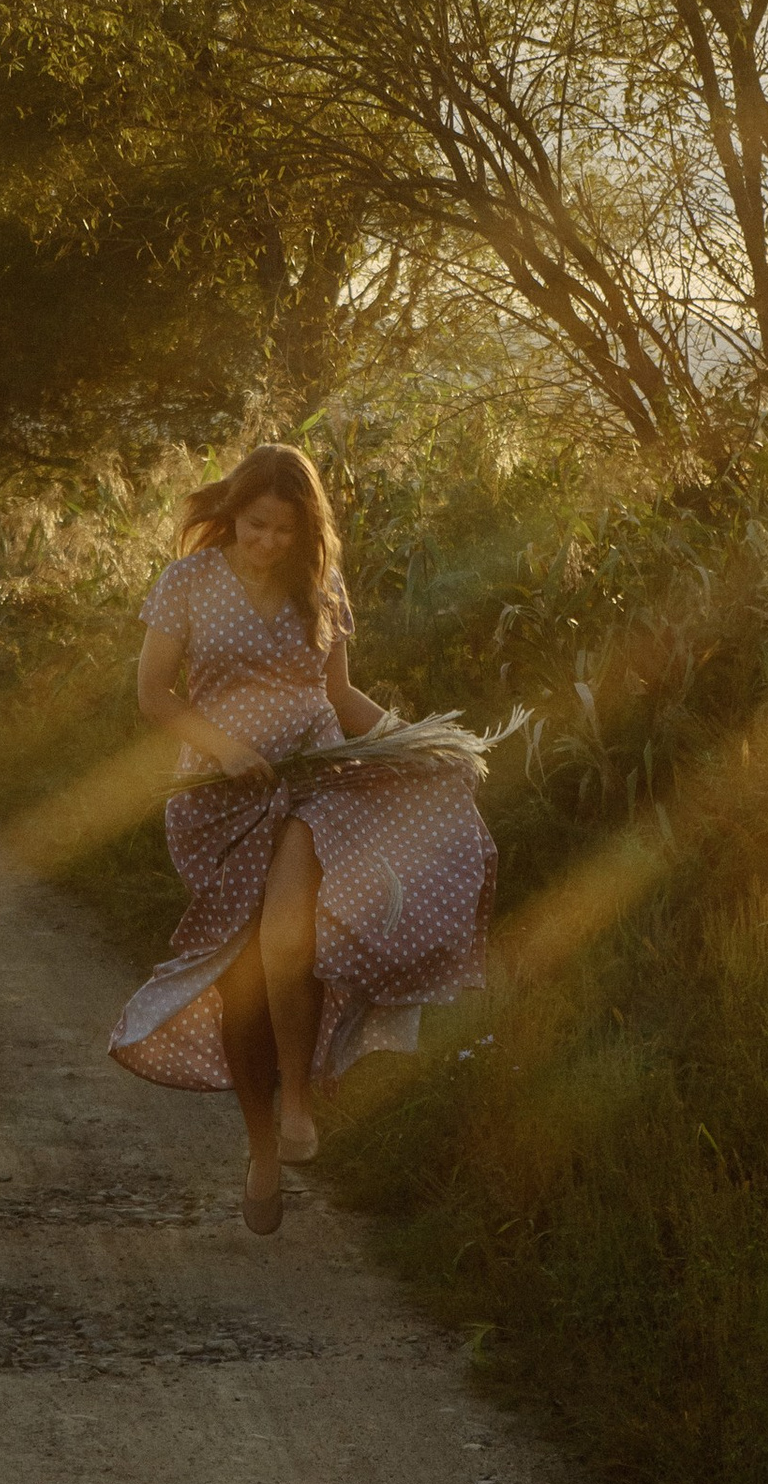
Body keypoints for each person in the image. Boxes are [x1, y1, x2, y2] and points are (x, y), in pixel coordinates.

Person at [110, 445, 495, 1234]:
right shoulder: (187, 583)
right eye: (257, 526)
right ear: (233, 513)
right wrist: (223, 748)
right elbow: (155, 695)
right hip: (222, 796)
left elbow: (339, 693)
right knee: (245, 978)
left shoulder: (318, 586)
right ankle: (262, 1144)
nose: (270, 544)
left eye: (287, 531)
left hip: (320, 782)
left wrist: (417, 744)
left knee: (289, 934)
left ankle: (300, 1104)